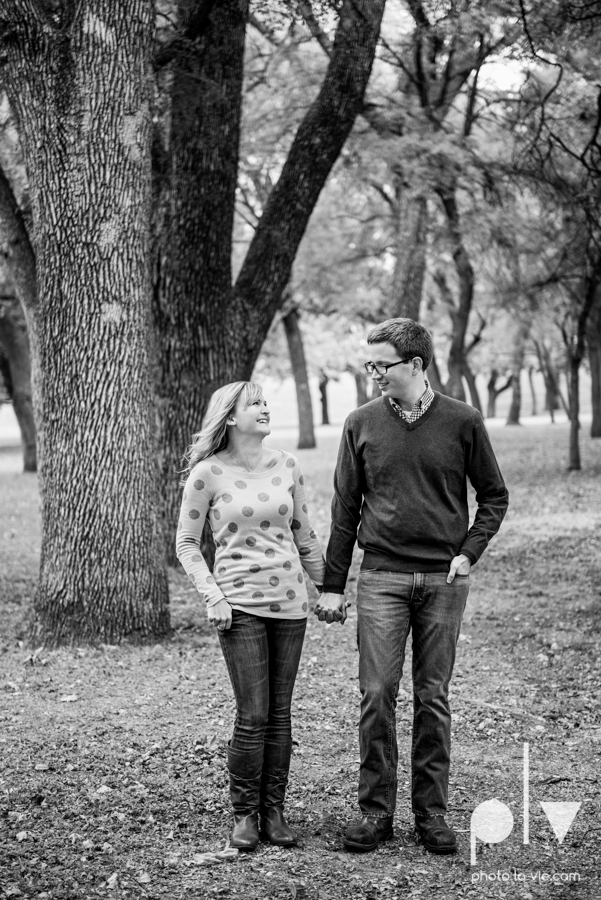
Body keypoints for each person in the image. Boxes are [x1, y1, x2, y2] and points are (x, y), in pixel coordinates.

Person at [315, 318, 508, 855]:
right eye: (368, 364)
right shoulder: (361, 423)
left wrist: (468, 554)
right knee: (376, 693)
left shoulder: (463, 421)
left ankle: (432, 814)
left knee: (433, 697)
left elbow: (494, 496)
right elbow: (344, 511)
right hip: (381, 577)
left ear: (417, 365)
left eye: (382, 365)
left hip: (445, 581)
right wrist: (333, 585)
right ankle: (375, 813)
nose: (372, 373)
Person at [176, 381, 325, 852]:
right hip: (238, 605)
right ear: (231, 417)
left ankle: (274, 813)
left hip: (291, 604)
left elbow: (305, 535)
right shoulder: (207, 472)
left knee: (280, 714)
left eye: (264, 402)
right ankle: (244, 815)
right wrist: (212, 596)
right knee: (254, 713)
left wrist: (331, 589)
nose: (263, 409)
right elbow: (186, 544)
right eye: (253, 404)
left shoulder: (288, 465)